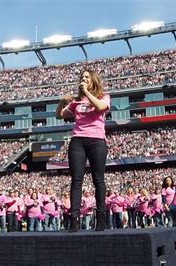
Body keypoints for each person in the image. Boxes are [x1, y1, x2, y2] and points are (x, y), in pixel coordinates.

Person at [56, 69, 110, 232]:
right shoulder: (76, 101)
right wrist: (61, 101)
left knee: (98, 180)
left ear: (93, 80)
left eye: (87, 77)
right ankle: (73, 219)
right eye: (82, 77)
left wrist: (86, 91)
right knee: (76, 180)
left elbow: (101, 107)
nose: (83, 79)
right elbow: (59, 116)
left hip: (97, 140)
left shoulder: (103, 96)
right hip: (78, 140)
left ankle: (101, 218)